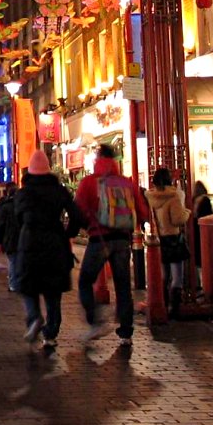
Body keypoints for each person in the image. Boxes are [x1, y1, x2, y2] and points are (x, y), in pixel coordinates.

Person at [74, 144, 149, 347]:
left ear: (97, 158)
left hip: (99, 239)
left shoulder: (89, 182)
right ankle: (126, 332)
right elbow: (142, 212)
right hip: (123, 240)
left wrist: (87, 225)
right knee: (123, 285)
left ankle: (96, 321)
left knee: (84, 281)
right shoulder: (126, 183)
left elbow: (79, 209)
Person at [15, 149, 83, 352]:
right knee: (53, 293)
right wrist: (68, 233)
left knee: (28, 286)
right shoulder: (59, 191)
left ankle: (34, 317)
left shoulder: (23, 192)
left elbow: (18, 218)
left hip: (30, 243)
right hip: (55, 241)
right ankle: (50, 334)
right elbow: (76, 215)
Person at [147, 168, 191, 319]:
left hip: (161, 238)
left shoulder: (152, 197)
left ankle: (163, 305)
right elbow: (178, 219)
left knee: (165, 275)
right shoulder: (174, 196)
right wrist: (187, 212)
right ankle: (175, 309)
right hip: (174, 238)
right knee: (177, 276)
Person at [0, 184, 20, 292]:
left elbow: (1, 225)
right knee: (18, 260)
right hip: (22, 237)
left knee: (12, 261)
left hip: (10, 237)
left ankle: (13, 284)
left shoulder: (5, 207)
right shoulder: (22, 205)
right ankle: (18, 282)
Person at [192, 180, 213, 267]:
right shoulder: (205, 200)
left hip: (194, 226)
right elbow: (208, 214)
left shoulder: (193, 200)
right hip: (203, 227)